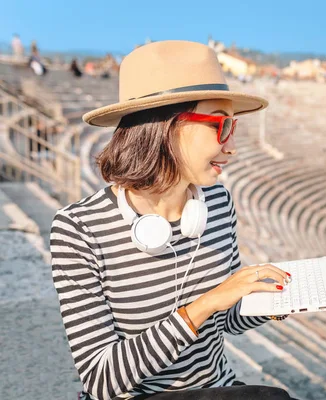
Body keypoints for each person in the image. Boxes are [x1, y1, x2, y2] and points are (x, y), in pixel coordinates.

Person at [50, 41, 295, 400]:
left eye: (234, 127)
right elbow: (101, 380)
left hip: (216, 391)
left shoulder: (218, 202)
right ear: (166, 128)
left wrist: (282, 298)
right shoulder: (78, 230)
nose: (232, 147)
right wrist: (204, 304)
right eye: (221, 126)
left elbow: (227, 320)